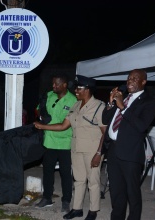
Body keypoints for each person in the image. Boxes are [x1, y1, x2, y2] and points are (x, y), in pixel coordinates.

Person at [34, 75, 106, 220]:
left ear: (88, 89)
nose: (76, 90)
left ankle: (93, 211)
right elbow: (63, 126)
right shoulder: (75, 105)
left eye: (79, 88)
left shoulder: (99, 106)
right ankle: (77, 208)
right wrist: (42, 126)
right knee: (79, 180)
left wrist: (99, 153)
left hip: (92, 150)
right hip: (76, 148)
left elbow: (105, 132)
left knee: (93, 181)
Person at [102, 69, 155, 220]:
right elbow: (105, 119)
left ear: (143, 82)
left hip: (131, 154)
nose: (130, 81)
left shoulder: (149, 102)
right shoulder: (123, 98)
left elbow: (141, 126)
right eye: (128, 78)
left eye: (134, 79)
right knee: (116, 191)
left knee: (132, 193)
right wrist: (110, 101)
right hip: (114, 150)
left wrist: (123, 108)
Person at [34, 73, 77, 213]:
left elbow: (64, 125)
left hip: (64, 142)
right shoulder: (50, 95)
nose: (53, 86)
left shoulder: (73, 100)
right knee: (47, 171)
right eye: (52, 84)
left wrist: (42, 126)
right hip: (49, 141)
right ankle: (47, 198)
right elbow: (38, 109)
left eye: (56, 84)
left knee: (65, 173)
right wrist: (40, 113)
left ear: (64, 85)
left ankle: (66, 200)